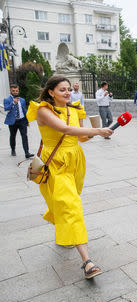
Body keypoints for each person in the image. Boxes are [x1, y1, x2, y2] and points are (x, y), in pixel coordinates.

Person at [26, 75, 113, 278]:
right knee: (71, 206)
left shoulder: (74, 109)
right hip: (55, 162)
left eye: (68, 89)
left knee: (67, 203)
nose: (67, 93)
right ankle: (87, 261)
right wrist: (98, 130)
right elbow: (64, 129)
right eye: (62, 90)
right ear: (51, 92)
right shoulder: (43, 111)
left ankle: (64, 227)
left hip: (75, 161)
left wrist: (95, 132)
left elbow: (80, 137)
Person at [3, 84, 34, 158]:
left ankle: (27, 153)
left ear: (18, 90)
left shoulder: (22, 100)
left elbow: (24, 110)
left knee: (24, 136)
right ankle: (13, 149)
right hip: (13, 121)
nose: (15, 92)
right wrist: (13, 103)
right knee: (13, 136)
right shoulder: (7, 99)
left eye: (17, 90)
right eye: (13, 91)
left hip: (22, 120)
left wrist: (27, 119)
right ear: (10, 91)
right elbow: (6, 108)